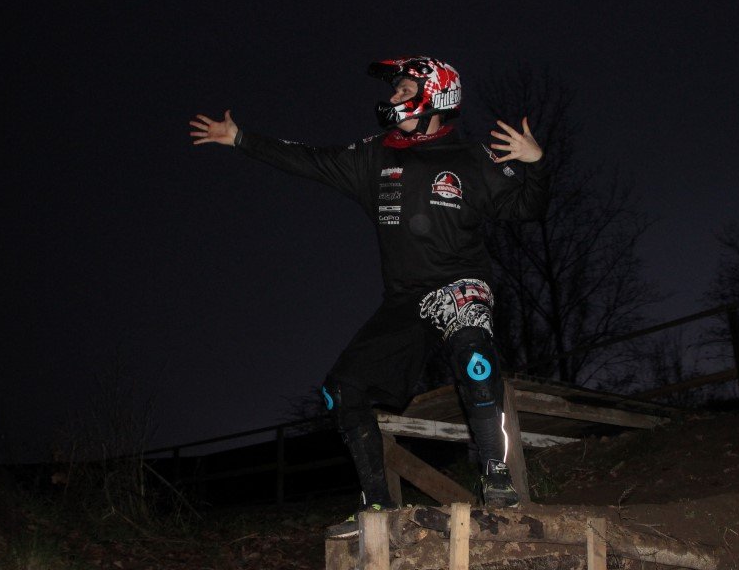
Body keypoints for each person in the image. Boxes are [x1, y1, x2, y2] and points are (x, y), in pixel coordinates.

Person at [190, 56, 548, 537]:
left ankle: (496, 478)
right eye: (395, 90)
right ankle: (377, 505)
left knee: (473, 354)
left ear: (434, 97)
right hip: (405, 299)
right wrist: (240, 138)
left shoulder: (472, 158)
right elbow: (311, 160)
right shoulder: (374, 156)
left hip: (459, 284)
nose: (394, 97)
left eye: (404, 90)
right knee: (341, 390)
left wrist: (536, 164)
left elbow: (529, 207)